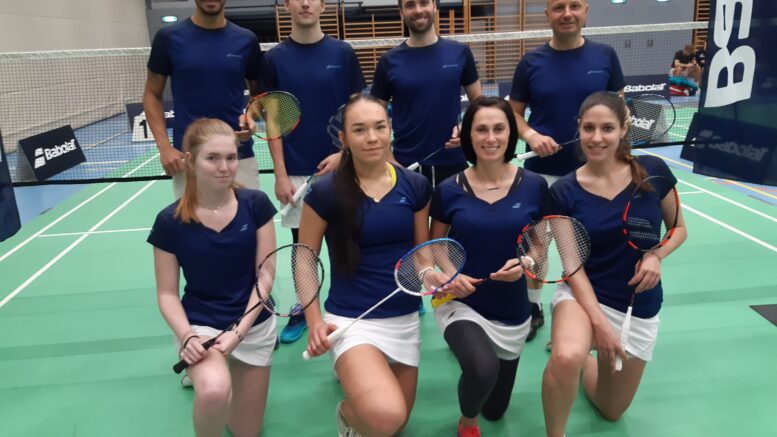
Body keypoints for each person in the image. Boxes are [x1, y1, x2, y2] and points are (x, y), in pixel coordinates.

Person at [541, 92, 687, 437]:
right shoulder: (562, 191)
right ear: (578, 128)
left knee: (611, 410)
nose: (597, 137)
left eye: (607, 128)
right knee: (566, 356)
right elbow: (572, 266)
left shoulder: (653, 172)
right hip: (583, 295)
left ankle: (586, 360)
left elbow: (678, 229)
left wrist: (655, 255)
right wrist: (599, 325)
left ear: (624, 128)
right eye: (588, 128)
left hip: (638, 304)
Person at [301, 95, 432, 437]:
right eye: (359, 130)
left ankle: (359, 402)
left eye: (379, 127)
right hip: (351, 320)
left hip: (403, 318)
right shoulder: (324, 192)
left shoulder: (415, 186)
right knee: (385, 416)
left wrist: (432, 275)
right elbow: (304, 258)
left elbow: (422, 253)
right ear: (343, 138)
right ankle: (347, 411)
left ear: (390, 131)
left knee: (395, 423)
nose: (372, 137)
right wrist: (314, 322)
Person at [147, 119, 278, 437]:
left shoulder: (256, 205)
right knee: (214, 391)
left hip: (252, 324)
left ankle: (221, 383)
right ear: (190, 161)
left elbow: (265, 275)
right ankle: (209, 379)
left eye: (231, 157)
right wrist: (187, 337)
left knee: (245, 431)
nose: (224, 167)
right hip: (201, 325)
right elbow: (167, 294)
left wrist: (238, 332)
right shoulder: (169, 222)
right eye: (212, 158)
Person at [429, 97, 550, 437]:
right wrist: (450, 274)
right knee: (482, 370)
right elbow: (435, 244)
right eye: (481, 129)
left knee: (495, 410)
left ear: (511, 134)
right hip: (460, 302)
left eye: (499, 129)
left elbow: (540, 246)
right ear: (469, 135)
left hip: (512, 310)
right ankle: (467, 423)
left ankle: (476, 367)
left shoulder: (535, 186)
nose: (491, 138)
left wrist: (525, 263)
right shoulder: (448, 189)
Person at [508, 0, 625, 341]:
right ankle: (534, 307)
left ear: (586, 11)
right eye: (558, 7)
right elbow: (513, 114)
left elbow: (619, 111)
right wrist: (531, 135)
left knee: (593, 245)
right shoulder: (531, 62)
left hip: (595, 174)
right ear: (548, 14)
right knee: (537, 245)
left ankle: (591, 312)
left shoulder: (605, 56)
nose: (567, 13)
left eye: (574, 6)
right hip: (542, 172)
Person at [261, 0, 366, 344]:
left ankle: (352, 304)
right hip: (295, 170)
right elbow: (273, 120)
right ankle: (305, 308)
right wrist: (279, 173)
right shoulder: (274, 59)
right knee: (302, 245)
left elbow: (358, 111)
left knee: (351, 239)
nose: (305, 3)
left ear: (323, 5)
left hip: (344, 166)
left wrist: (344, 153)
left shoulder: (342, 53)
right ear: (286, 6)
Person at [143, 0, 263, 199]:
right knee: (192, 220)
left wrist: (250, 116)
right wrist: (164, 147)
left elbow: (258, 94)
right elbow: (152, 94)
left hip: (238, 155)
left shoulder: (246, 40)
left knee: (247, 217)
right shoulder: (168, 38)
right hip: (189, 159)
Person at [371, 0, 482, 188]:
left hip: (453, 162)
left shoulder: (460, 52)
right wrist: (387, 156)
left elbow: (479, 102)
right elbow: (374, 116)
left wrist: (467, 126)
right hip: (405, 166)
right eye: (410, 5)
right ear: (401, 12)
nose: (418, 10)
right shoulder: (388, 61)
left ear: (435, 6)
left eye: (424, 3)